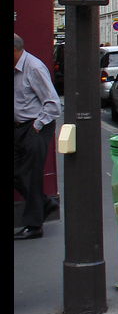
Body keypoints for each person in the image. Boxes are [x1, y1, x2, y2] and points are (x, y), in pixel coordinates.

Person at [14, 34, 62, 239]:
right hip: (19, 127)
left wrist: (37, 125)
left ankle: (34, 226)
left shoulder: (33, 67)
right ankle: (45, 203)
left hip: (36, 127)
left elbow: (52, 102)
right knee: (19, 173)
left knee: (31, 175)